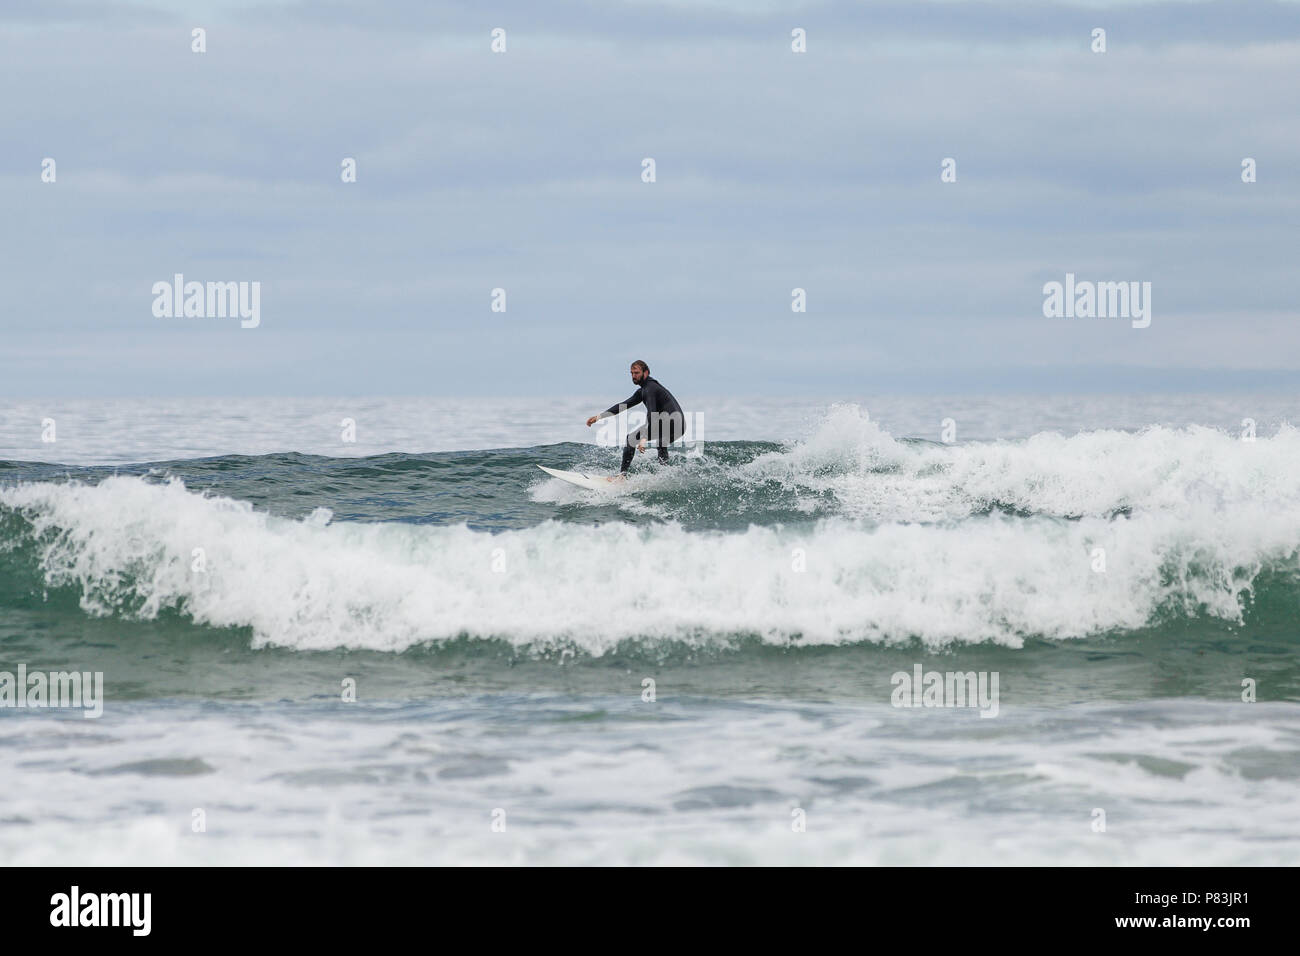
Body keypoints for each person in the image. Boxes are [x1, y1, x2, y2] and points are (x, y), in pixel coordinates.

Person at [586, 361, 686, 475]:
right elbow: (623, 405)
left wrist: (644, 438)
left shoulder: (650, 388)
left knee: (631, 439)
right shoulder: (643, 390)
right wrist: (599, 417)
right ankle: (665, 473)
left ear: (646, 372)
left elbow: (652, 413)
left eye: (637, 373)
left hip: (670, 423)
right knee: (661, 442)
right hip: (680, 426)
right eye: (632, 373)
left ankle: (622, 476)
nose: (634, 376)